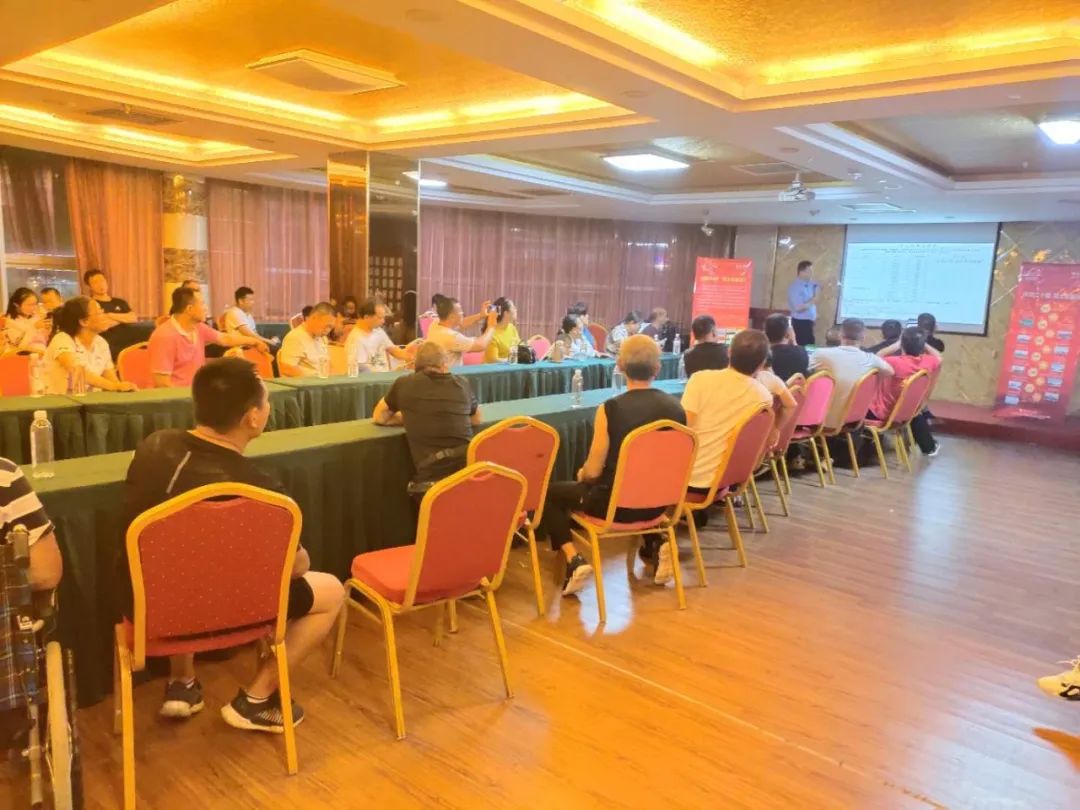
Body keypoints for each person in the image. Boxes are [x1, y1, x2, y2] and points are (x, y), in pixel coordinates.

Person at [119, 358, 344, 729]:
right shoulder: (263, 491)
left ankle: (182, 681)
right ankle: (257, 698)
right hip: (230, 613)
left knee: (180, 566)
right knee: (332, 591)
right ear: (252, 418)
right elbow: (296, 566)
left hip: (150, 610)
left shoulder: (153, 447)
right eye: (266, 402)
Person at [539, 336, 684, 592]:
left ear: (620, 366)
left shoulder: (611, 409)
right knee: (642, 481)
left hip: (613, 508)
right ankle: (657, 539)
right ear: (658, 368)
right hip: (659, 507)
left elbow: (593, 472)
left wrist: (582, 473)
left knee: (549, 493)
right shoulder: (677, 409)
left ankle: (574, 560)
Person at [682, 329, 796, 502]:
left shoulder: (699, 379)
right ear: (762, 363)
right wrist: (776, 429)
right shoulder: (763, 396)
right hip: (728, 480)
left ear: (729, 352)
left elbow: (684, 429)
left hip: (689, 480)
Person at [373, 342, 481, 485]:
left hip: (433, 480)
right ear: (444, 365)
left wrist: (411, 418)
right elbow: (476, 419)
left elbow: (380, 417)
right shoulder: (462, 383)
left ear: (415, 364)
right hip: (467, 473)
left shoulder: (404, 384)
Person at [148, 288, 265, 387]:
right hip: (178, 400)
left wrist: (255, 341)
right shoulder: (164, 336)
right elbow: (162, 384)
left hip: (197, 393)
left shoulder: (198, 327)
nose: (206, 308)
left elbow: (224, 339)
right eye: (203, 304)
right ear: (189, 309)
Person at [809, 318, 894, 430]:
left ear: (840, 335)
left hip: (821, 419)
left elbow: (803, 372)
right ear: (863, 337)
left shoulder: (821, 354)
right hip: (853, 420)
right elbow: (890, 372)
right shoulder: (871, 359)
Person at [872, 327, 942, 456]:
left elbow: (877, 356)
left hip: (885, 412)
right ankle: (929, 447)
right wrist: (922, 342)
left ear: (902, 344)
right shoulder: (928, 362)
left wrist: (898, 343)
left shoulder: (893, 362)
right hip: (908, 411)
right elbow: (938, 356)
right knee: (916, 413)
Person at [45, 297, 137, 394]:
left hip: (91, 400)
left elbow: (112, 381)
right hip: (59, 400)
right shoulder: (62, 339)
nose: (105, 316)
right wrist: (113, 386)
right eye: (99, 313)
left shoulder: (101, 343)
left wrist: (123, 387)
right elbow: (77, 371)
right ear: (84, 322)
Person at [344, 298, 416, 371]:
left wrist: (411, 356)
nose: (383, 321)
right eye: (380, 318)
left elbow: (394, 350)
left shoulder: (378, 331)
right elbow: (361, 370)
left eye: (383, 317)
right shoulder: (355, 339)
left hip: (385, 376)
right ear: (366, 317)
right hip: (371, 378)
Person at [425, 296, 498, 368]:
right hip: (450, 374)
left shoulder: (436, 323)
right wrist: (491, 326)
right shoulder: (451, 337)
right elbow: (480, 345)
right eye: (460, 311)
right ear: (451, 316)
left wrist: (480, 315)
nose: (462, 313)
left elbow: (461, 323)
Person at [278, 302, 337, 377]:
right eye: (326, 326)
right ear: (314, 318)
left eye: (331, 327)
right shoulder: (295, 337)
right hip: (304, 382)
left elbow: (328, 365)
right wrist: (313, 381)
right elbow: (287, 369)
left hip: (322, 381)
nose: (327, 330)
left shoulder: (323, 338)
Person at [764, 313, 809, 382]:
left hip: (772, 388)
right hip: (796, 388)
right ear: (787, 333)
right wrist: (793, 340)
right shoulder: (802, 352)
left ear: (765, 333)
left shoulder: (764, 357)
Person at [4, 288, 50, 355]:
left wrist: (48, 327)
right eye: (29, 305)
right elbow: (20, 346)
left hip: (45, 351)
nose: (33, 308)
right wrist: (34, 327)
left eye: (35, 304)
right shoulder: (11, 322)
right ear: (16, 305)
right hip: (27, 356)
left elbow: (46, 338)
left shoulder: (37, 316)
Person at [787, 260, 819, 346]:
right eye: (809, 271)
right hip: (800, 324)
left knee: (810, 348)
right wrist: (813, 300)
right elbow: (798, 308)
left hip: (808, 323)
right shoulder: (796, 287)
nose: (812, 273)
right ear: (801, 272)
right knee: (803, 348)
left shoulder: (808, 285)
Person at [483, 297, 521, 363]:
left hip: (510, 367)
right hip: (494, 368)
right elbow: (493, 360)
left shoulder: (512, 328)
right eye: (513, 308)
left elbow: (518, 346)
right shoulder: (491, 334)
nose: (516, 310)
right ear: (506, 313)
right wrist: (513, 360)